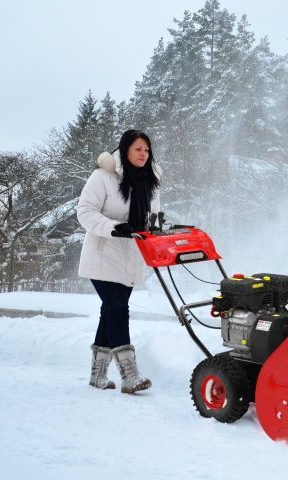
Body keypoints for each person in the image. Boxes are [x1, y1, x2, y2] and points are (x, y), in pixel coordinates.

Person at [76, 129, 161, 393]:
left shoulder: (150, 181)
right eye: (137, 149)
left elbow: (152, 216)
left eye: (146, 150)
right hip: (103, 256)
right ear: (124, 150)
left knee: (111, 310)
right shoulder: (103, 177)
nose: (143, 154)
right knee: (117, 307)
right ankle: (129, 374)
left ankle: (97, 374)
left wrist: (157, 228)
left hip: (130, 258)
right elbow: (85, 212)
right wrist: (114, 227)